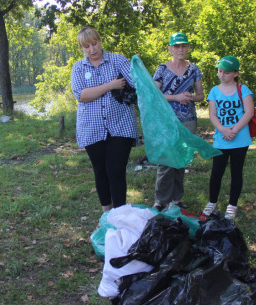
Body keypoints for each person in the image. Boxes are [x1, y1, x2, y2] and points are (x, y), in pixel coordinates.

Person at [70, 27, 139, 212]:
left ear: (100, 41)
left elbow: (136, 81)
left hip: (121, 124)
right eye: (86, 46)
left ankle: (120, 214)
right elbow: (82, 95)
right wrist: (112, 85)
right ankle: (107, 215)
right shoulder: (78, 67)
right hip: (91, 127)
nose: (92, 49)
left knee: (116, 170)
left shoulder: (117, 60)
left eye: (94, 43)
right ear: (82, 48)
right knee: (100, 171)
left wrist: (137, 67)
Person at [152, 32, 204, 211]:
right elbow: (154, 95)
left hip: (188, 120)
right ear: (170, 49)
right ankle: (160, 200)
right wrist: (176, 97)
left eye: (183, 46)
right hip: (166, 120)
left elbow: (201, 96)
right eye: (176, 46)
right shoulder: (162, 69)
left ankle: (176, 199)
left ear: (188, 48)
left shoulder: (194, 69)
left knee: (181, 160)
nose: (180, 49)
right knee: (166, 160)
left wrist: (190, 97)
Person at [202, 56, 254, 220]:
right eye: (220, 71)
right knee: (216, 172)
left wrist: (235, 130)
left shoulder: (243, 89)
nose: (222, 74)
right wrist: (224, 130)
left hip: (240, 138)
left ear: (235, 73)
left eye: (226, 72)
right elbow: (212, 114)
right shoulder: (214, 91)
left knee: (236, 172)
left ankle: (232, 204)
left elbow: (249, 112)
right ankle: (212, 202)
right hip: (221, 139)